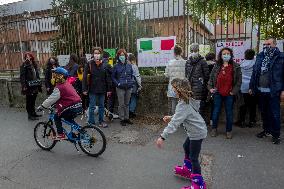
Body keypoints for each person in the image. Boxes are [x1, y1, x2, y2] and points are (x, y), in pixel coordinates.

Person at [156, 78, 207, 189]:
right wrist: (171, 117)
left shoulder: (184, 104)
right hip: (196, 130)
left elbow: (174, 124)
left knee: (194, 157)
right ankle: (187, 169)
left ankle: (198, 184)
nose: (173, 90)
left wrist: (162, 137)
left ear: (179, 90)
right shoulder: (186, 101)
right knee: (186, 146)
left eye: (174, 88)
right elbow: (181, 115)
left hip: (197, 133)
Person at [249, 37, 284, 144]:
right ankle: (266, 130)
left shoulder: (280, 57)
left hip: (274, 91)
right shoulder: (260, 56)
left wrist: (283, 90)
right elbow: (255, 73)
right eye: (265, 44)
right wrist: (251, 86)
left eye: (268, 44)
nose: (266, 46)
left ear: (275, 44)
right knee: (264, 112)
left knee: (274, 113)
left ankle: (276, 134)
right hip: (260, 90)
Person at [37, 67, 82, 140]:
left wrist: (42, 106)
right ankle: (81, 130)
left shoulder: (60, 87)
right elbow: (65, 97)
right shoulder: (67, 83)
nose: (53, 77)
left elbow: (51, 99)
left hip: (71, 107)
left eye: (55, 75)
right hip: (78, 105)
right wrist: (56, 104)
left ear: (60, 76)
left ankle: (61, 134)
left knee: (56, 117)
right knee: (68, 118)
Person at [208, 47, 242, 139]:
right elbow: (211, 79)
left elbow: (239, 81)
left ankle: (229, 131)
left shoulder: (236, 66)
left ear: (230, 55)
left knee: (229, 113)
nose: (226, 55)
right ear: (221, 55)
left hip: (229, 94)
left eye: (227, 53)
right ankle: (214, 129)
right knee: (216, 111)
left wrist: (233, 92)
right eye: (224, 54)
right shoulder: (216, 66)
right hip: (217, 93)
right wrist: (210, 88)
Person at [82, 47, 112, 128]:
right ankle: (91, 122)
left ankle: (101, 121)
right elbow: (85, 77)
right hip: (92, 89)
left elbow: (107, 77)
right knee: (92, 106)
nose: (97, 55)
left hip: (102, 89)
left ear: (101, 54)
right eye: (95, 53)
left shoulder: (105, 64)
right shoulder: (89, 64)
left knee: (102, 106)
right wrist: (84, 89)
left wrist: (109, 89)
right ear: (93, 54)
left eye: (98, 53)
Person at [185, 43, 210, 120]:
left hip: (199, 88)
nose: (194, 52)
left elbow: (206, 75)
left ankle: (199, 122)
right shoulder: (188, 62)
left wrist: (201, 82)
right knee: (192, 105)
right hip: (190, 87)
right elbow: (186, 74)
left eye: (195, 50)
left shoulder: (203, 62)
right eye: (192, 50)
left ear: (198, 51)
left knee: (199, 106)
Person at [111, 49, 134, 126]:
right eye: (120, 55)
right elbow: (113, 77)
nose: (122, 56)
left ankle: (127, 118)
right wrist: (118, 84)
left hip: (128, 87)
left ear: (126, 56)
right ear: (118, 56)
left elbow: (131, 75)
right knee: (121, 104)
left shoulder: (129, 65)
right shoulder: (116, 66)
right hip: (120, 87)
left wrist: (131, 82)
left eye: (123, 55)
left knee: (127, 103)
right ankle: (122, 118)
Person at [164, 45, 186, 115]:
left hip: (173, 86)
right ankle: (181, 121)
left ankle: (174, 120)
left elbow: (166, 74)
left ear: (174, 53)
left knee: (174, 104)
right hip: (182, 86)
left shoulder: (170, 62)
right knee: (182, 104)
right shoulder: (185, 62)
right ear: (181, 52)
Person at [20, 52, 42, 121]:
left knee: (33, 100)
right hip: (28, 86)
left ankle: (33, 113)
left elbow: (37, 74)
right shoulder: (24, 65)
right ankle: (30, 115)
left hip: (35, 85)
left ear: (32, 57)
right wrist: (24, 85)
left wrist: (39, 83)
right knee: (29, 101)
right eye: (26, 56)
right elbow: (22, 76)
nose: (28, 57)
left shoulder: (34, 64)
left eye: (29, 56)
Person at [237, 49, 257, 128]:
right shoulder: (255, 63)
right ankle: (252, 121)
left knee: (243, 105)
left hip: (243, 87)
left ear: (245, 55)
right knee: (253, 106)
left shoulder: (241, 63)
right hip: (252, 87)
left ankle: (241, 121)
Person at [128, 54, 142, 118]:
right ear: (133, 60)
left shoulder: (127, 66)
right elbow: (137, 77)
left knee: (128, 98)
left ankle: (127, 112)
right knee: (134, 98)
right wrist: (140, 86)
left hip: (127, 84)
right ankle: (131, 111)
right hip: (133, 84)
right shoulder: (134, 66)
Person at [205, 52, 216, 126]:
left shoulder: (203, 64)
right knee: (213, 105)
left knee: (203, 105)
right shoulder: (215, 65)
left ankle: (203, 120)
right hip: (212, 87)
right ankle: (212, 120)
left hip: (203, 87)